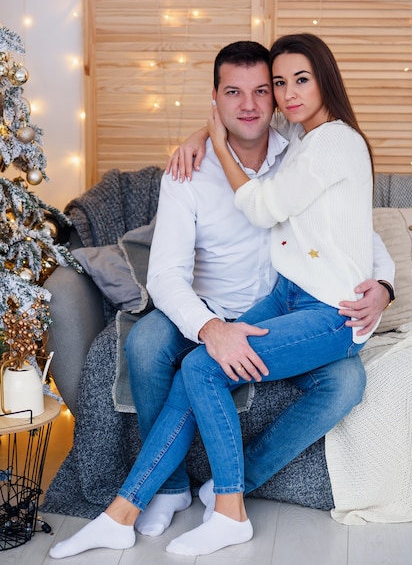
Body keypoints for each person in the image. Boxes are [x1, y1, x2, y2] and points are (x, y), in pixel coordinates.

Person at [49, 38, 393, 559]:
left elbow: (351, 229)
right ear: (216, 98)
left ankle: (218, 496)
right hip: (207, 306)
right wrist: (209, 327)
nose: (253, 103)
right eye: (236, 92)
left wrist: (385, 285)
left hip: (288, 307)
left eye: (266, 89)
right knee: (147, 346)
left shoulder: (299, 146)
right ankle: (165, 490)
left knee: (347, 379)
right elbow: (164, 274)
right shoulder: (190, 169)